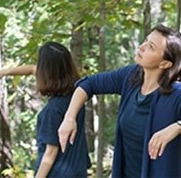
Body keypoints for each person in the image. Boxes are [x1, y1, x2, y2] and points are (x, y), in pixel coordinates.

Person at [58, 24, 181, 177]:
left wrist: (176, 126)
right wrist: (69, 118)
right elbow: (88, 84)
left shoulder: (176, 94)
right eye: (145, 40)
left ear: (165, 64)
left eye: (151, 47)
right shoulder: (131, 76)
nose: (142, 47)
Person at [0, 42, 90, 177]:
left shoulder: (53, 110)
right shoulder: (76, 96)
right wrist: (3, 72)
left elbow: (50, 153)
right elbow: (32, 69)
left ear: (46, 72)